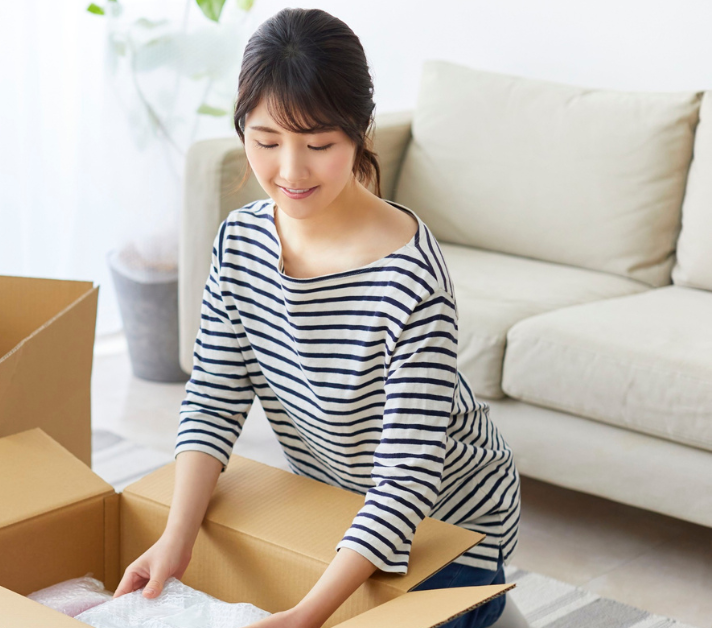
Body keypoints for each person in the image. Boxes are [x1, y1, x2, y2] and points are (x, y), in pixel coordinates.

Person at [113, 8, 529, 628]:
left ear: (361, 133)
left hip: (451, 521)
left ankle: (488, 601)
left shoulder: (411, 278)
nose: (290, 172)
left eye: (319, 145)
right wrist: (176, 538)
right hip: (338, 503)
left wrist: (308, 615)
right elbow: (212, 402)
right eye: (266, 141)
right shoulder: (239, 242)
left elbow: (406, 476)